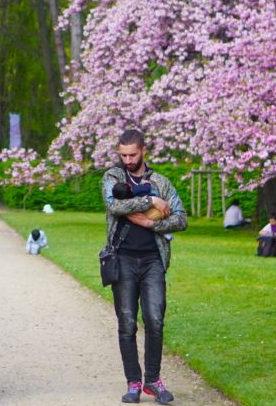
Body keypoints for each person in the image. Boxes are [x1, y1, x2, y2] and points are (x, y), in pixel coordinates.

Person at [103, 129, 187, 405]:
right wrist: (151, 201)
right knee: (127, 323)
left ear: (144, 151)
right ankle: (133, 383)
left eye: (132, 154)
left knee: (155, 321)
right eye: (123, 154)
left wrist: (153, 223)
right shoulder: (113, 177)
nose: (127, 160)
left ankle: (153, 380)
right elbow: (114, 205)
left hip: (153, 260)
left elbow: (182, 218)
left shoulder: (161, 181)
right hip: (123, 258)